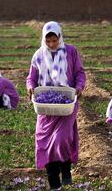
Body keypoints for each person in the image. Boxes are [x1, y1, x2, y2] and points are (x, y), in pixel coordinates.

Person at [26, 21, 86, 190]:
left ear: (60, 37)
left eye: (55, 40)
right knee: (43, 141)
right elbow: (31, 77)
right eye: (48, 41)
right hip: (46, 106)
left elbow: (79, 73)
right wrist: (30, 87)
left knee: (61, 139)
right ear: (44, 40)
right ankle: (54, 182)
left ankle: (65, 168)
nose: (52, 44)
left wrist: (79, 87)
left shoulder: (71, 52)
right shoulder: (38, 55)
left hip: (67, 104)